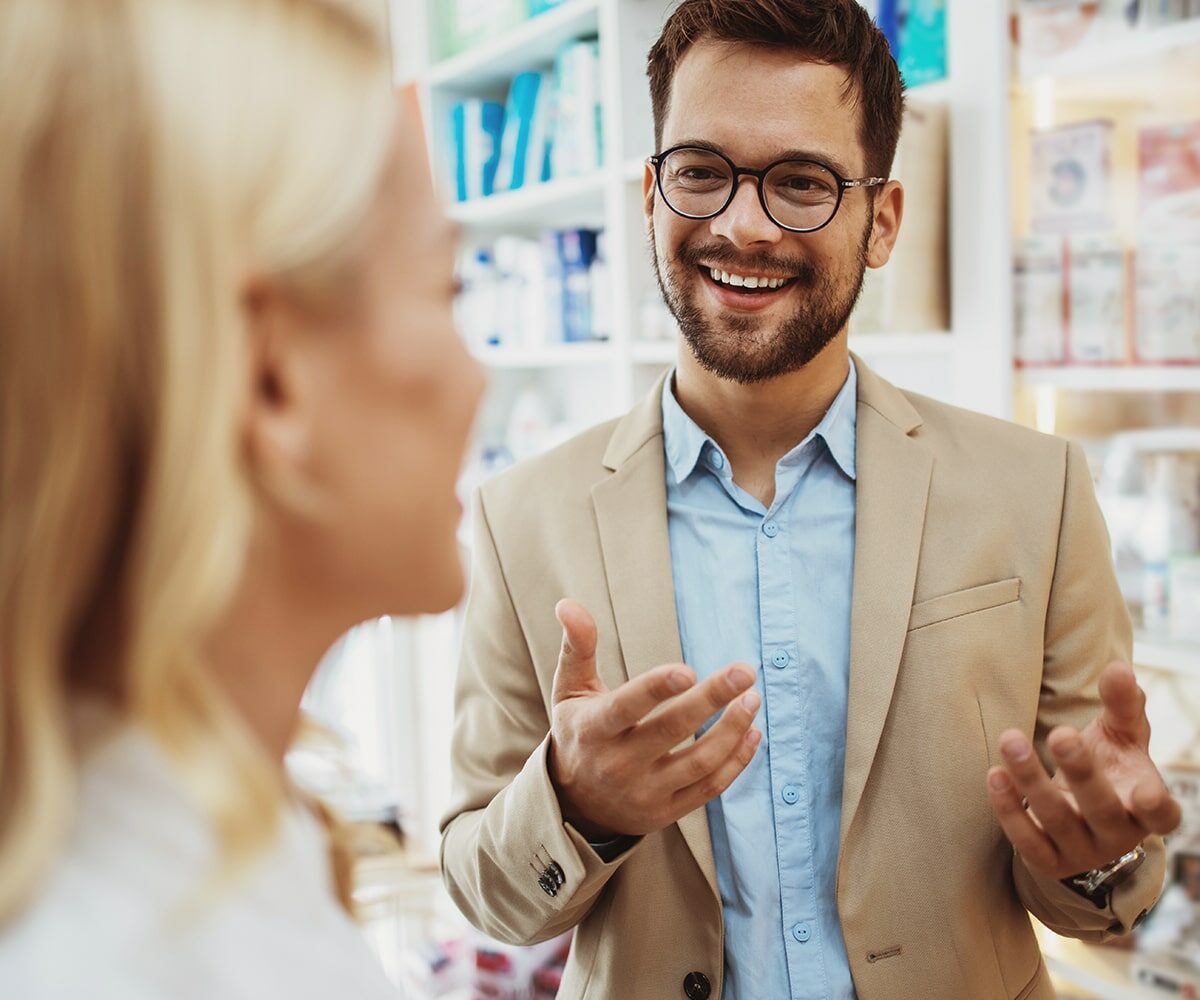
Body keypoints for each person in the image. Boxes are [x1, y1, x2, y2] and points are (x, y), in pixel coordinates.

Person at [439, 2, 1181, 998]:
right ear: (649, 197)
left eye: (801, 182)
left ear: (881, 222)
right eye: (701, 171)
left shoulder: (1034, 490)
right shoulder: (521, 516)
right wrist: (575, 806)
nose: (742, 225)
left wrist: (1097, 854)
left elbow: (1104, 887)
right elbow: (488, 889)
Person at [0, 0, 484, 997]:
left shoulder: (178, 848)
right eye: (447, 291)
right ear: (273, 378)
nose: (476, 378)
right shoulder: (151, 953)